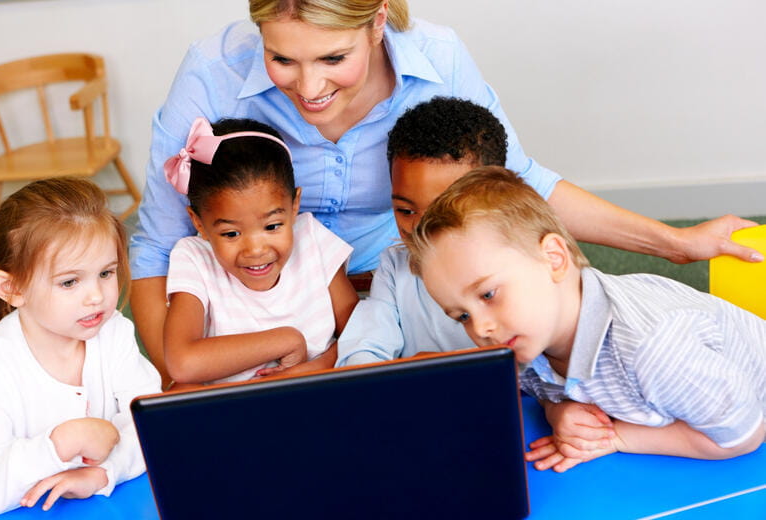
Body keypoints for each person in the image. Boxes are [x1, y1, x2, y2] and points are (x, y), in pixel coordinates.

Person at [129, 0, 761, 386]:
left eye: (331, 59)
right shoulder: (211, 71)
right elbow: (159, 243)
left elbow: (522, 182)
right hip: (251, 291)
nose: (309, 87)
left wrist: (676, 243)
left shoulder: (437, 57)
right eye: (282, 60)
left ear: (377, 20)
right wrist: (172, 385)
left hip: (397, 273)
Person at [405, 166, 766, 472]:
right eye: (462, 315)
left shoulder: (653, 347)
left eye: (488, 294)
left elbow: (742, 435)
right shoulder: (526, 336)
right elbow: (537, 386)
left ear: (554, 259)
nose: (480, 328)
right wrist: (557, 409)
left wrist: (617, 437)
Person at [337, 96, 615, 457]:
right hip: (417, 417)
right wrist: (391, 376)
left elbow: (557, 371)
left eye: (442, 211)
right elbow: (364, 353)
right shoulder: (395, 264)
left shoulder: (529, 270)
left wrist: (556, 408)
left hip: (509, 422)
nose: (421, 228)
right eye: (405, 209)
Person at [0, 178, 161, 515]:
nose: (96, 296)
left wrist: (103, 472)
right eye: (69, 281)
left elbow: (152, 424)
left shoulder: (114, 333)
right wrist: (60, 444)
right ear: (11, 288)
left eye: (106, 273)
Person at [163, 117, 358, 385]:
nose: (255, 250)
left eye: (272, 226)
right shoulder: (194, 257)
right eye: (231, 234)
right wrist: (285, 340)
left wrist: (319, 366)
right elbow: (183, 364)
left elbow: (362, 329)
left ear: (294, 206)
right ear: (199, 223)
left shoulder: (312, 239)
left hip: (318, 395)